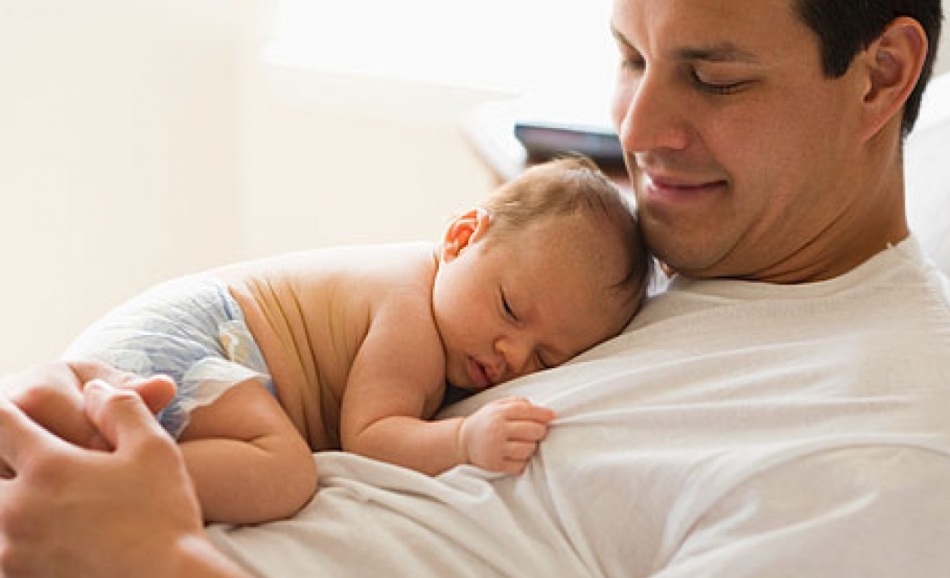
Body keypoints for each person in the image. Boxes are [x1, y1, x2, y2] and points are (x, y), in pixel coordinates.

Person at [1, 0, 948, 576]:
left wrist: (151, 560)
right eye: (629, 56)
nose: (639, 125)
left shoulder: (877, 460)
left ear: (882, 76)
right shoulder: (645, 265)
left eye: (716, 78)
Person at [34, 155, 651, 525]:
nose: (512, 354)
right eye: (510, 309)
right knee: (281, 475)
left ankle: (89, 459)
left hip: (158, 341)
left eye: (547, 358)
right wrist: (464, 438)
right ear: (463, 237)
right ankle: (104, 484)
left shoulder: (442, 303)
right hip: (196, 342)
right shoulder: (409, 310)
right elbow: (373, 436)